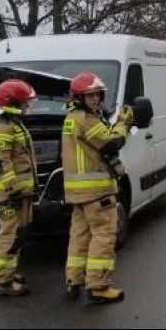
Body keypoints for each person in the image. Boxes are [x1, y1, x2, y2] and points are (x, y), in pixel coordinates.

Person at [62, 72, 134, 304]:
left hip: (78, 192)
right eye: (89, 95)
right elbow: (112, 143)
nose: (95, 99)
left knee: (79, 237)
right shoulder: (87, 120)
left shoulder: (71, 117)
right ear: (79, 97)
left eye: (97, 94)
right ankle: (98, 286)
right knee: (103, 236)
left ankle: (73, 281)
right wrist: (123, 123)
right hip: (97, 192)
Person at [0, 78, 38, 296]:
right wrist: (13, 191)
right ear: (13, 103)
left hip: (21, 192)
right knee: (9, 233)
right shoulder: (1, 127)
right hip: (11, 194)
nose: (28, 106)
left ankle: (8, 272)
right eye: (25, 102)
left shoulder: (14, 124)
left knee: (19, 233)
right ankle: (0, 281)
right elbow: (1, 163)